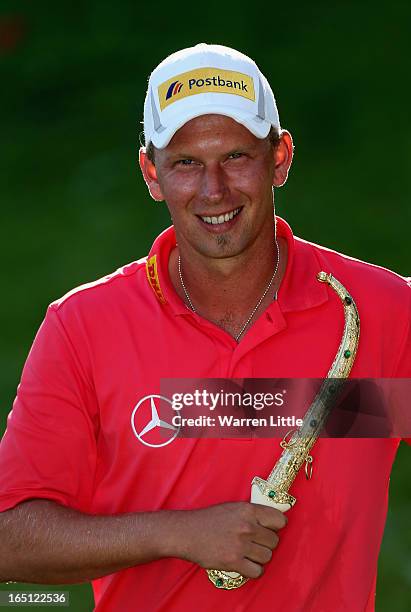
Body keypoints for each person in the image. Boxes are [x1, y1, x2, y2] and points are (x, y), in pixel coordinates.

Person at [0, 43, 409, 611]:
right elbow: (10, 540)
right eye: (186, 163)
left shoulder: (383, 311)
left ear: (281, 158)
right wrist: (178, 534)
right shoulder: (84, 327)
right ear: (151, 173)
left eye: (237, 156)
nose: (214, 190)